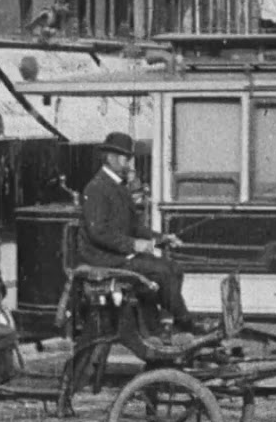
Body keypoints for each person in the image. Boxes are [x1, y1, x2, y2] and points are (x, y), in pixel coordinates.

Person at [77, 132, 198, 336]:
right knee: (164, 271)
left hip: (120, 255)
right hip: (104, 258)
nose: (129, 164)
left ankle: (155, 326)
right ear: (111, 158)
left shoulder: (119, 186)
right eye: (126, 159)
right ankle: (183, 324)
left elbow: (135, 227)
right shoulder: (96, 188)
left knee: (174, 268)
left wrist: (161, 238)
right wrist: (134, 245)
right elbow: (98, 233)